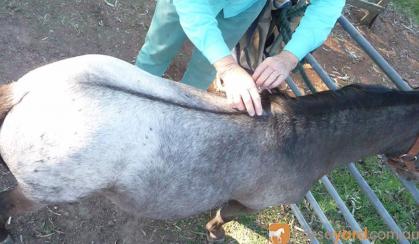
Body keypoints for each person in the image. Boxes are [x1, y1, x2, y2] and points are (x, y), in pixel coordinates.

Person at [136, 0, 345, 116]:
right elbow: (192, 6)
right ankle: (136, 95)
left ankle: (181, 111)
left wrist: (289, 57)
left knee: (204, 69)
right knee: (157, 49)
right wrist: (227, 66)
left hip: (243, 7)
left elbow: (326, 8)